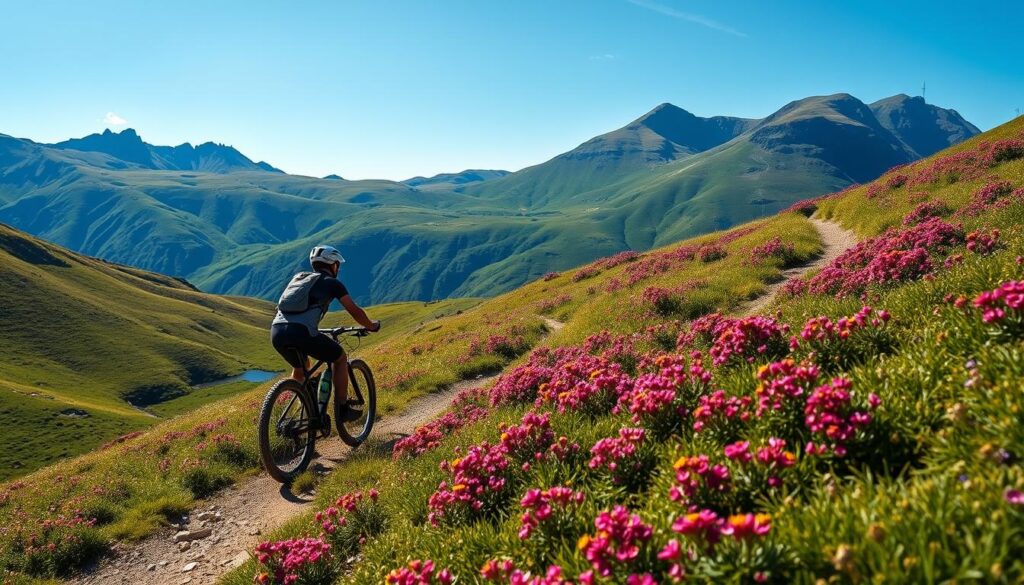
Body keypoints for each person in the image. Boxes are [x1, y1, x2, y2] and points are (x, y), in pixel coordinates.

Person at [270, 245, 379, 420]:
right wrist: (371, 325)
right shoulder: (332, 283)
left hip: (277, 332)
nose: (338, 267)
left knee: (301, 368)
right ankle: (342, 409)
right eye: (337, 264)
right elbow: (354, 310)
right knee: (340, 358)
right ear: (332, 264)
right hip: (302, 332)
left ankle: (305, 415)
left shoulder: (299, 278)